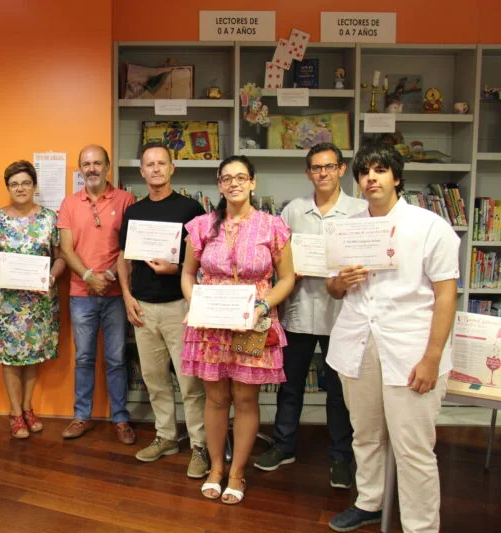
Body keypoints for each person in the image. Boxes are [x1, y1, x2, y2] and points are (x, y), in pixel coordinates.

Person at [326, 141, 459, 533]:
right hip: (357, 343)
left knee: (413, 447)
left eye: (380, 170)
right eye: (365, 172)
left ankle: (420, 526)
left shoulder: (429, 226)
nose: (371, 178)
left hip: (411, 347)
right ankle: (370, 501)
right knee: (365, 434)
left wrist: (433, 358)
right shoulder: (348, 228)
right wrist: (339, 281)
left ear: (396, 178)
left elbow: (446, 293)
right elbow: (333, 290)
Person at [181, 155, 294, 504]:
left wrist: (264, 304)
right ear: (219, 184)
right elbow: (187, 274)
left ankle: (237, 472)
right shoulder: (201, 225)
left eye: (241, 177)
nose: (234, 183)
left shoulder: (272, 226)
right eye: (227, 178)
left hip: (252, 322)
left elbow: (287, 277)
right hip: (211, 324)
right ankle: (216, 468)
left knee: (245, 399)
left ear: (253, 183)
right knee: (215, 398)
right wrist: (194, 305)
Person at [255, 143, 365, 488]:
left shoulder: (360, 211)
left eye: (329, 167)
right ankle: (284, 446)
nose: (323, 173)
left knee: (338, 392)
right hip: (299, 312)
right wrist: (291, 270)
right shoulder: (293, 211)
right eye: (316, 168)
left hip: (342, 315)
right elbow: (279, 257)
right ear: (308, 172)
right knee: (290, 385)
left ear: (342, 169)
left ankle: (340, 457)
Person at [117, 142, 208, 477]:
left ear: (173, 168)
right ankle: (166, 436)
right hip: (143, 307)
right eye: (149, 165)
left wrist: (178, 268)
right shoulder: (134, 211)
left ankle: (200, 446)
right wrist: (127, 296)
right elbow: (122, 257)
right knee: (154, 379)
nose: (155, 169)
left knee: (190, 383)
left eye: (161, 163)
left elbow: (205, 257)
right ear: (142, 172)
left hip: (179, 307)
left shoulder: (191, 208)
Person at [0, 160, 65, 439]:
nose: (20, 188)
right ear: (8, 188)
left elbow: (60, 257)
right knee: (10, 358)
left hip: (39, 302)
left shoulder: (50, 219)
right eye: (14, 184)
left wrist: (51, 275)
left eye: (26, 182)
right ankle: (15, 413)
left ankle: (28, 408)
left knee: (33, 355)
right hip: (5, 303)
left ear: (34, 186)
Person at [57, 145, 136, 444]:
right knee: (84, 358)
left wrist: (109, 277)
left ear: (107, 167)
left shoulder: (126, 200)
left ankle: (120, 418)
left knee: (116, 358)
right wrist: (90, 276)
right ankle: (81, 416)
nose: (91, 168)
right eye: (86, 164)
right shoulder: (69, 203)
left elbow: (129, 246)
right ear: (80, 168)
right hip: (81, 293)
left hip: (117, 292)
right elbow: (66, 248)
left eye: (97, 163)